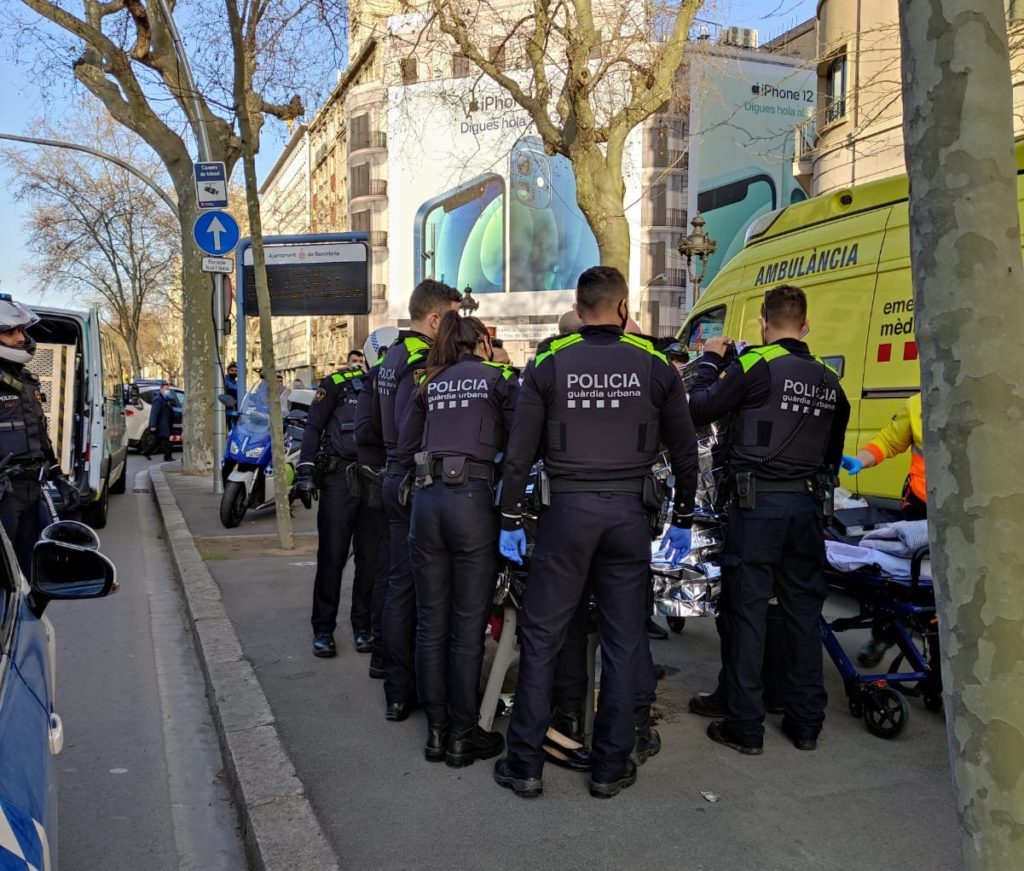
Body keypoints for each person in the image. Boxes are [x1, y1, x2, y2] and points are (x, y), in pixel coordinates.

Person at [493, 266, 698, 799]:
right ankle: (610, 767)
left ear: (579, 309)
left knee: (542, 636)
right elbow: (684, 448)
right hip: (629, 514)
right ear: (624, 307)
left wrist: (510, 517)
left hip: (565, 512)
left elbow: (520, 451)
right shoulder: (654, 363)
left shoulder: (548, 361)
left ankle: (524, 766)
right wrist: (685, 516)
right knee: (625, 640)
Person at [687, 284, 850, 755]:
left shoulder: (756, 364)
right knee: (802, 614)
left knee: (747, 612)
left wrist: (710, 363)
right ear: (806, 325)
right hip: (806, 510)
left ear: (762, 323)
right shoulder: (826, 378)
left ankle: (745, 725)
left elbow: (701, 407)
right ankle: (806, 724)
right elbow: (831, 453)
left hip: (756, 508)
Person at [397, 313, 518, 766]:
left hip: (427, 505)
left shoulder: (429, 382)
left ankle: (435, 732)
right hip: (473, 503)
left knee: (431, 623)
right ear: (483, 344)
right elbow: (521, 439)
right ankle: (464, 734)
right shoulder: (496, 379)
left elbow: (407, 444)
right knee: (468, 626)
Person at [375, 279, 462, 721]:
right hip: (416, 481)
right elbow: (418, 427)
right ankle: (424, 694)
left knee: (399, 586)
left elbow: (374, 426)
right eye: (453, 317)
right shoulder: (423, 360)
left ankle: (395, 691)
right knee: (426, 595)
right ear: (434, 319)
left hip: (392, 476)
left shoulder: (390, 354)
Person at [294, 362, 376, 658]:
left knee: (370, 559)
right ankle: (323, 628)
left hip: (374, 478)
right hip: (339, 478)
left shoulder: (387, 383)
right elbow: (314, 425)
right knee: (332, 556)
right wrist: (305, 469)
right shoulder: (338, 383)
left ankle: (363, 626)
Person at [841, 392, 927, 666]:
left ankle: (939, 654)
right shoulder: (918, 405)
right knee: (900, 582)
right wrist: (862, 459)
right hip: (920, 509)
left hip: (966, 512)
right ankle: (883, 636)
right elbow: (889, 440)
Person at [0, 295, 79, 574]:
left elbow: (40, 436)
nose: (20, 338)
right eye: (10, 332)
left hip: (32, 489)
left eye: (21, 330)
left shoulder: (25, 380)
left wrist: (59, 477)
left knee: (26, 570)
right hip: (4, 493)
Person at [355, 326, 400, 680]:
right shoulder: (375, 381)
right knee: (386, 566)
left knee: (387, 567)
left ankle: (382, 649)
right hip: (383, 480)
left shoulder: (384, 377)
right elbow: (366, 431)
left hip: (388, 478)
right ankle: (381, 648)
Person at [143, 382, 174, 461]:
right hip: (161, 424)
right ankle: (167, 457)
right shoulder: (158, 399)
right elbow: (154, 413)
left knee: (157, 441)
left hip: (164, 423)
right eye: (166, 389)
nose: (167, 391)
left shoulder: (166, 399)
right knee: (165, 441)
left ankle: (146, 452)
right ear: (161, 389)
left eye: (168, 389)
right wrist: (153, 425)